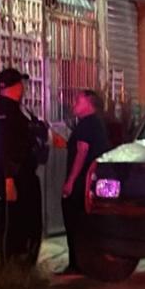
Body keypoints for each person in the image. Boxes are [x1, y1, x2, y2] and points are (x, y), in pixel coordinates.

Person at [0, 68, 44, 268]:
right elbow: (0, 146)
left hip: (23, 176)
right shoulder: (2, 112)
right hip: (12, 178)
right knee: (10, 225)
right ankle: (10, 271)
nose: (24, 88)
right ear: (14, 86)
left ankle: (21, 268)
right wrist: (8, 179)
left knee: (26, 224)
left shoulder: (18, 110)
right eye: (21, 84)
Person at [60, 90, 110, 275]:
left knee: (75, 223)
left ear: (89, 104)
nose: (74, 104)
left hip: (81, 183)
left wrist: (71, 181)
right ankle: (84, 264)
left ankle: (77, 265)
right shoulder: (95, 124)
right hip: (90, 183)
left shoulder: (87, 125)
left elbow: (82, 151)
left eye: (78, 100)